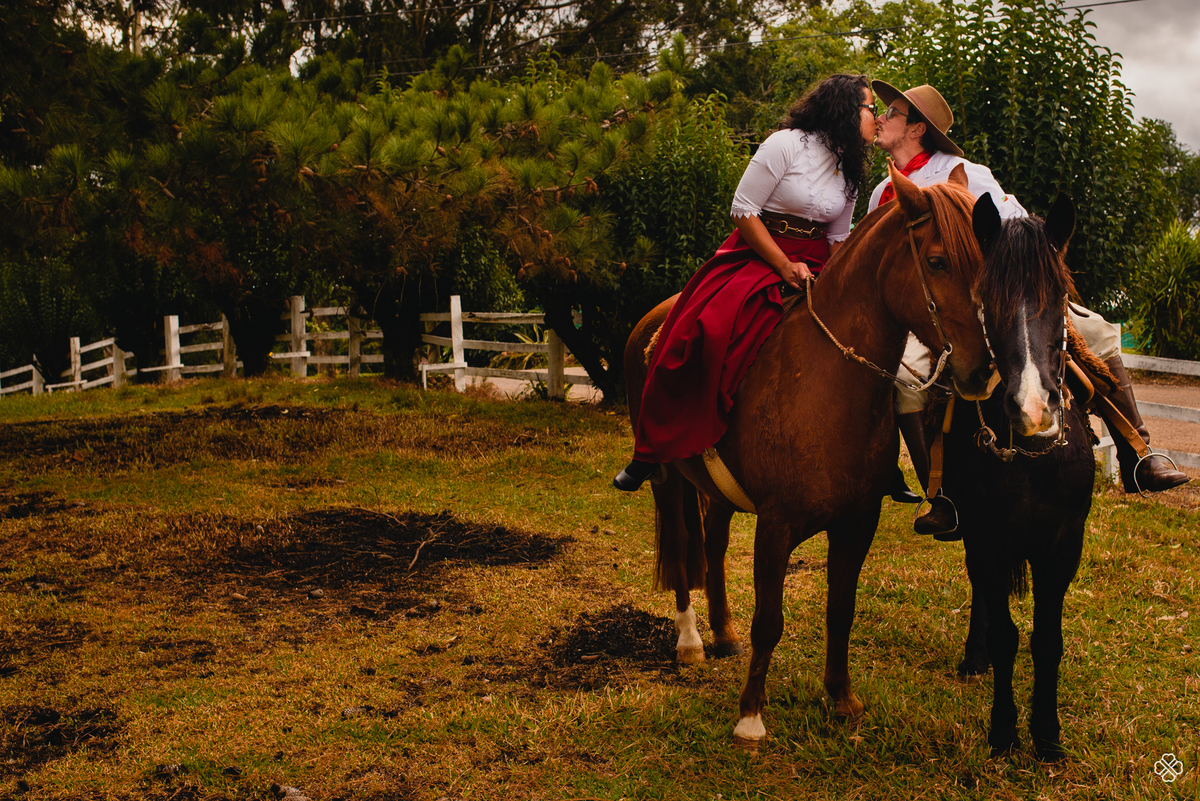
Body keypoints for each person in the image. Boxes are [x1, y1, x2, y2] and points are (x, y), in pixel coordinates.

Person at [867, 80, 1189, 536]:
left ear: (918, 127)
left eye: (893, 112)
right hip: (927, 314)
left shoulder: (962, 170)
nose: (881, 118)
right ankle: (942, 497)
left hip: (990, 295)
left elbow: (1014, 223)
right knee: (906, 382)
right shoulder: (882, 190)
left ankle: (1140, 454)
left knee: (1098, 333)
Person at [613, 73, 880, 491]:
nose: (877, 120)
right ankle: (653, 449)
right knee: (702, 330)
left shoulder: (851, 168)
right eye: (871, 109)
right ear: (846, 109)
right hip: (758, 253)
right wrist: (782, 266)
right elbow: (743, 210)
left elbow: (837, 238)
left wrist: (844, 288)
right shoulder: (786, 144)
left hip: (817, 264)